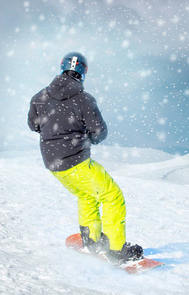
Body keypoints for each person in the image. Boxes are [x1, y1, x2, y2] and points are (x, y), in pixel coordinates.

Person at [28, 52, 143, 264]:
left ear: (62, 67)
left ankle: (92, 241)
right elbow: (100, 132)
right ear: (84, 72)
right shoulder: (84, 100)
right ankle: (117, 251)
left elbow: (33, 125)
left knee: (87, 195)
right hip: (76, 161)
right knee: (112, 196)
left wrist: (56, 133)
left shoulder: (39, 97)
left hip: (53, 165)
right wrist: (83, 137)